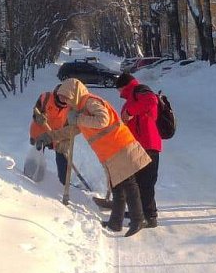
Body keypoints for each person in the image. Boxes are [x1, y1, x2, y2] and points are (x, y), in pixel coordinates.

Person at [34, 78, 151, 237]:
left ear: (74, 94)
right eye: (62, 99)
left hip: (119, 146)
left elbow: (103, 120)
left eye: (66, 98)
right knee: (118, 188)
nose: (65, 102)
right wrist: (49, 136)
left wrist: (79, 119)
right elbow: (71, 131)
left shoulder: (89, 102)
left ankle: (138, 219)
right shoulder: (80, 110)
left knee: (129, 185)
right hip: (111, 151)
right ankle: (115, 223)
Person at [116, 72, 163, 228]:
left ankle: (150, 216)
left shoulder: (140, 90)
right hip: (138, 144)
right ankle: (140, 211)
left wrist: (129, 112)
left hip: (148, 143)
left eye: (119, 89)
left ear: (124, 86)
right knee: (136, 181)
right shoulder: (131, 98)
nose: (118, 93)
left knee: (145, 182)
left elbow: (151, 101)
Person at [28, 86, 70, 185]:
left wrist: (65, 140)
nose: (63, 98)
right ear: (57, 93)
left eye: (66, 97)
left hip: (57, 135)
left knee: (63, 156)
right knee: (37, 154)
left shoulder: (70, 106)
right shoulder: (46, 97)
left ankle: (64, 184)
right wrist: (38, 117)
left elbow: (69, 125)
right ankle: (30, 177)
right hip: (40, 132)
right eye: (62, 95)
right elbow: (36, 111)